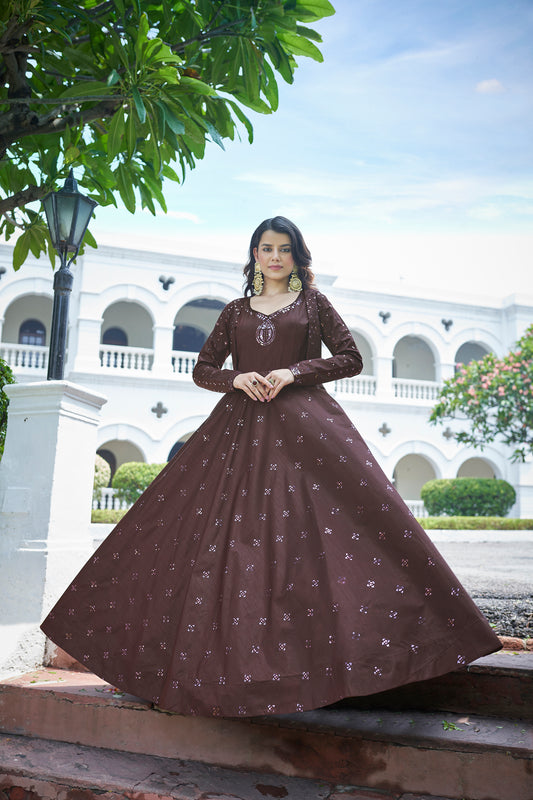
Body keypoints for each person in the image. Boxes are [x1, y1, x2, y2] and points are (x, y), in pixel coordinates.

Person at [41, 216, 501, 718]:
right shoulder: (236, 310)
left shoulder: (313, 305)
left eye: (284, 249)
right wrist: (236, 379)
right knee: (202, 537)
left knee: (324, 534)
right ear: (254, 255)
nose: (275, 257)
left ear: (298, 256)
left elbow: (350, 358)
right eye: (266, 248)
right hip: (236, 430)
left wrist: (294, 371)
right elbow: (202, 369)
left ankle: (347, 662)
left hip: (305, 428)